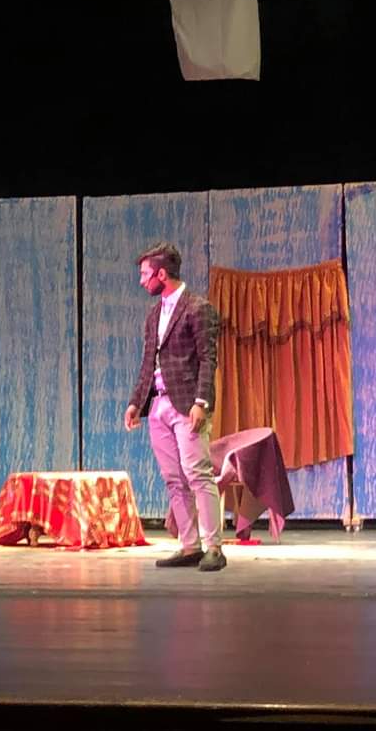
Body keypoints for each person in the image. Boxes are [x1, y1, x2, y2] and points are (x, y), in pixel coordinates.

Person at [123, 242, 225, 572]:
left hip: (186, 404)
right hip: (159, 405)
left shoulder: (198, 308)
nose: (142, 281)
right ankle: (189, 545)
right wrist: (136, 402)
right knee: (173, 478)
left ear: (162, 274)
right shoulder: (154, 315)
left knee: (197, 473)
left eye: (145, 274)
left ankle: (214, 547)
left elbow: (208, 359)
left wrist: (201, 402)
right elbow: (148, 363)